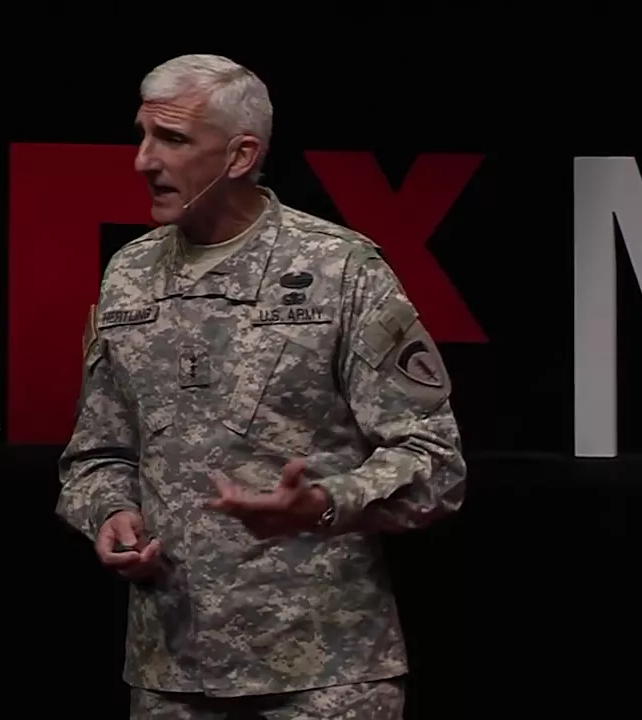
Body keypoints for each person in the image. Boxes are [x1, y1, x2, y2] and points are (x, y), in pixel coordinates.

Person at [56, 53, 467, 720]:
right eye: (143, 134)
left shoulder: (339, 269)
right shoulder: (128, 274)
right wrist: (110, 514)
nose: (143, 160)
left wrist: (324, 503)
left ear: (240, 155)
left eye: (172, 139)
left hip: (325, 676)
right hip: (172, 675)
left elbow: (435, 462)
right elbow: (97, 453)